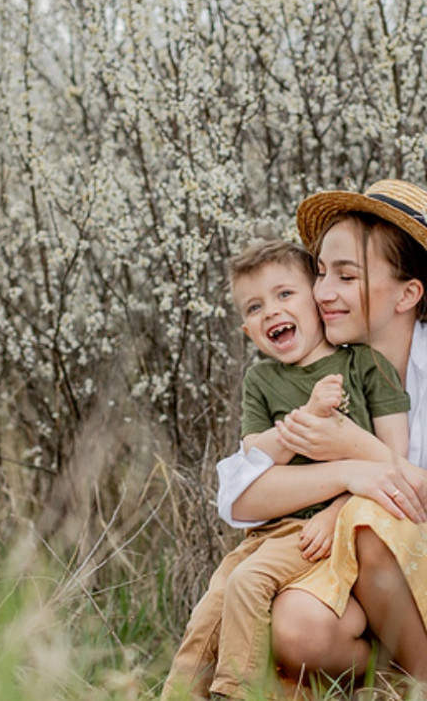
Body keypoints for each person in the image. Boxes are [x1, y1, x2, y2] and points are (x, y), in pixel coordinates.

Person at [215, 180, 427, 688]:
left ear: (408, 293)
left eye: (347, 275)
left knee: (369, 517)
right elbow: (240, 497)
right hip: (355, 588)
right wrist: (346, 469)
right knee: (296, 627)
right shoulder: (317, 368)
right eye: (320, 273)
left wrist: (364, 451)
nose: (324, 293)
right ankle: (389, 687)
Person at [163, 239, 411, 700]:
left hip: (319, 528)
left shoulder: (363, 364)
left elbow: (392, 463)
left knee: (247, 583)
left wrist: (336, 511)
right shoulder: (261, 380)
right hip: (268, 532)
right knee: (210, 609)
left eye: (284, 295)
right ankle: (177, 695)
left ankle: (236, 693)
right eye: (255, 307)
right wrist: (309, 416)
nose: (270, 312)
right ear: (246, 329)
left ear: (316, 301)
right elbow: (255, 453)